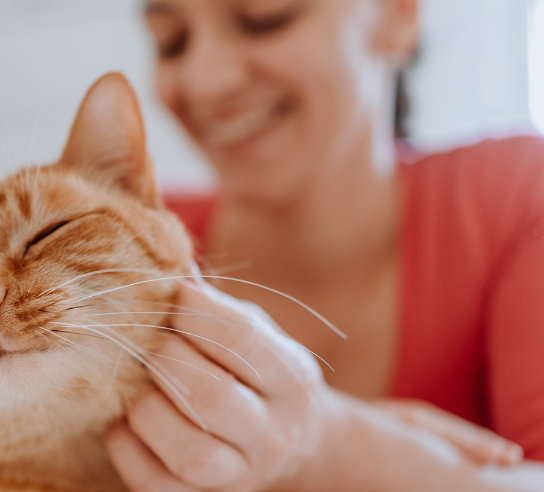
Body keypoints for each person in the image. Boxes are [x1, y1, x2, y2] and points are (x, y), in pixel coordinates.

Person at [104, 0, 544, 490]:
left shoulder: (515, 197)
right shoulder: (128, 242)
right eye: (171, 41)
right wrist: (443, 473)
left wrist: (333, 449)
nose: (206, 80)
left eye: (265, 18)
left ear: (398, 14)